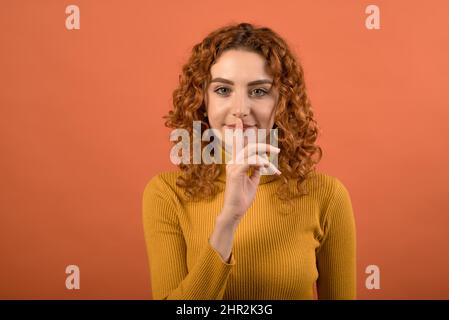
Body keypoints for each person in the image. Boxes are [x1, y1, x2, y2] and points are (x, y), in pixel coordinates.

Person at [142, 22, 356, 300]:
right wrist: (229, 219)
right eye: (222, 90)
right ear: (202, 101)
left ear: (283, 102)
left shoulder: (327, 196)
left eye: (258, 91)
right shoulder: (166, 194)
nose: (241, 110)